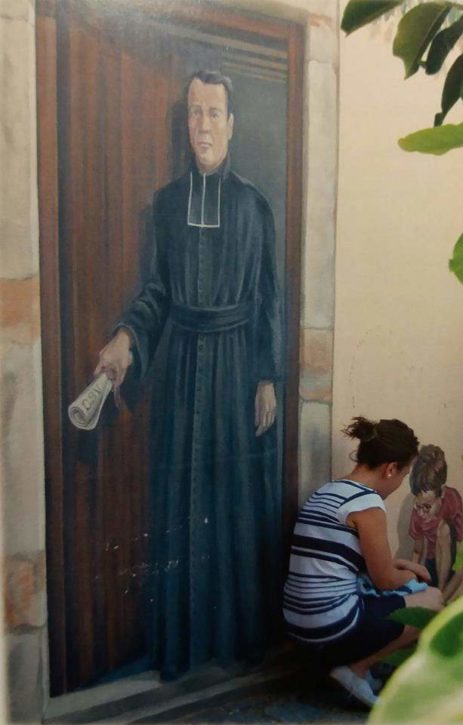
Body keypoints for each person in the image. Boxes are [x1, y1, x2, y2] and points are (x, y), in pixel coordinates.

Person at [95, 70, 282, 679]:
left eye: (214, 113)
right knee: (180, 500)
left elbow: (267, 299)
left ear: (232, 124)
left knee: (230, 501)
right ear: (187, 122)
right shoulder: (167, 204)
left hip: (235, 369)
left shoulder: (254, 205)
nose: (203, 124)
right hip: (179, 369)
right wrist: (126, 338)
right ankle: (181, 647)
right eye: (195, 112)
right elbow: (154, 292)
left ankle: (233, 642)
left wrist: (265, 378)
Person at [283, 416, 443, 707]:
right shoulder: (366, 503)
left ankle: (348, 668)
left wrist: (404, 566)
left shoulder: (328, 491)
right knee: (432, 601)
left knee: (403, 590)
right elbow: (384, 579)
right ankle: (354, 670)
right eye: (404, 475)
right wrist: (412, 578)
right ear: (390, 469)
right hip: (333, 627)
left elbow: (351, 564)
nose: (400, 484)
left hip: (299, 625)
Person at [409, 444, 463, 602]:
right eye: (418, 505)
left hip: (451, 563)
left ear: (442, 492)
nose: (421, 513)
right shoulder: (418, 511)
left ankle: (439, 593)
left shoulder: (453, 500)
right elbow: (417, 552)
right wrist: (411, 585)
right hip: (431, 565)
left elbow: (460, 568)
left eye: (427, 507)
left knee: (443, 529)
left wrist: (440, 599)